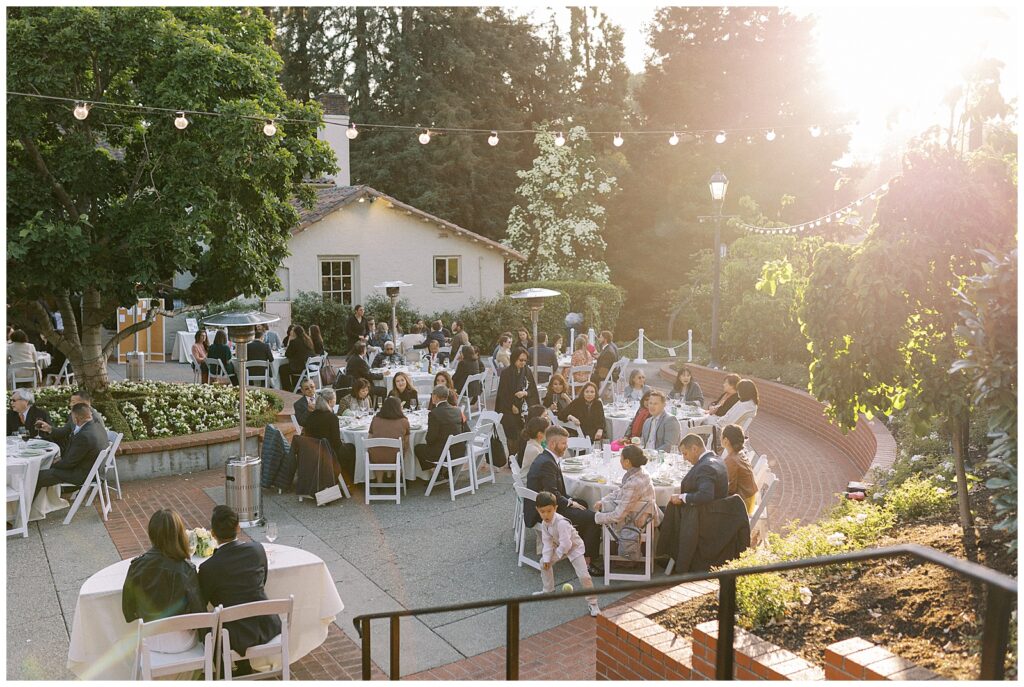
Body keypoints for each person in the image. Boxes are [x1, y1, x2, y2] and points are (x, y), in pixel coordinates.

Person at [198, 506, 281, 675]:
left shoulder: (208, 567)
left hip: (233, 636)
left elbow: (203, 600)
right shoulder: (257, 550)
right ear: (238, 528)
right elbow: (262, 581)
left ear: (213, 534)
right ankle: (243, 667)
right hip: (265, 625)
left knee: (207, 628)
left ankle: (222, 673)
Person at [122, 509, 206, 653]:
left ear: (152, 533)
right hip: (182, 641)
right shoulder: (186, 569)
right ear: (179, 534)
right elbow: (199, 612)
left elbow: (128, 610)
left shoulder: (137, 565)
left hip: (149, 640)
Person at [524, 426, 602, 575]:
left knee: (584, 504)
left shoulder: (546, 458)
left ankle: (576, 550)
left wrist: (572, 501)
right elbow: (552, 493)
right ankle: (586, 562)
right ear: (553, 444)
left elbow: (554, 492)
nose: (566, 446)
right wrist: (570, 502)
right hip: (545, 511)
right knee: (594, 518)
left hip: (546, 504)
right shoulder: (547, 463)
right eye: (563, 443)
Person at [533, 491, 601, 617]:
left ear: (555, 508)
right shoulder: (544, 524)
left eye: (549, 511)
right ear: (537, 510)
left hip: (574, 548)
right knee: (543, 563)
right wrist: (548, 559)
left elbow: (567, 545)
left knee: (584, 576)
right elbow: (547, 543)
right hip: (560, 547)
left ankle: (593, 603)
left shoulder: (561, 523)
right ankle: (548, 590)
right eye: (542, 512)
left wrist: (556, 556)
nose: (546, 514)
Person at [594, 445, 664, 559]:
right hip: (645, 516)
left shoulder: (633, 483)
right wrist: (604, 501)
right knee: (604, 506)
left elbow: (618, 515)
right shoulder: (642, 473)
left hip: (635, 523)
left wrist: (598, 517)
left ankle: (606, 556)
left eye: (620, 459)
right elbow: (621, 490)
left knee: (599, 516)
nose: (619, 461)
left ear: (627, 462)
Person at [34, 403, 107, 498]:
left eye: (72, 417)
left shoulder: (84, 436)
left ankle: (27, 508)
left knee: (35, 477)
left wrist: (52, 462)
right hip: (94, 471)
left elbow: (68, 464)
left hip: (81, 475)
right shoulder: (97, 426)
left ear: (76, 419)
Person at [496, 347, 540, 456]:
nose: (523, 363)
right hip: (508, 408)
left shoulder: (527, 371)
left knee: (525, 433)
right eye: (521, 360)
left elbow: (533, 389)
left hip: (524, 407)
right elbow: (503, 393)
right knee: (512, 433)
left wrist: (525, 393)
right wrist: (512, 405)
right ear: (514, 359)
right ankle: (512, 459)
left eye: (525, 360)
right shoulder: (506, 373)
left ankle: (521, 458)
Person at [415, 385, 470, 470]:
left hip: (444, 454)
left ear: (435, 396)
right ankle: (441, 471)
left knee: (418, 448)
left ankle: (435, 472)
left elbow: (430, 439)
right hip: (459, 451)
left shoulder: (434, 413)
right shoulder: (457, 410)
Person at [35, 389, 106, 452]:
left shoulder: (95, 419)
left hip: (84, 456)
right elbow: (64, 432)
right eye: (71, 402)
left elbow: (97, 444)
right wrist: (48, 428)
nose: (70, 405)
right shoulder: (75, 414)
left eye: (74, 402)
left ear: (85, 403)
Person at [668, 433, 729, 507]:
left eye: (685, 454)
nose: (684, 458)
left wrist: (682, 497)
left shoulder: (705, 467)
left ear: (694, 449)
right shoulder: (718, 459)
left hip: (706, 515)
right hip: (719, 509)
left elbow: (705, 495)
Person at [303, 388, 354, 473]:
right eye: (335, 399)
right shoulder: (332, 417)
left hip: (313, 451)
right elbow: (337, 444)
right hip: (328, 453)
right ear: (330, 402)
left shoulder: (311, 416)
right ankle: (348, 477)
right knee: (351, 448)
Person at [368, 397, 411, 478]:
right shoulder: (404, 421)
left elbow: (369, 438)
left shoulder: (375, 419)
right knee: (399, 451)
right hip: (395, 457)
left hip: (376, 457)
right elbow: (406, 442)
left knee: (378, 451)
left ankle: (379, 482)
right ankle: (396, 477)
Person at [721, 424, 758, 514]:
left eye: (721, 436)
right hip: (749, 498)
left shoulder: (732, 460)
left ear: (726, 441)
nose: (720, 438)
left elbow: (730, 489)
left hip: (742, 506)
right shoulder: (739, 454)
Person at [283, 325, 315, 390]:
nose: (291, 332)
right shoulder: (307, 340)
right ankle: (295, 385)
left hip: (300, 367)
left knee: (282, 369)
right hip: (308, 366)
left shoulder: (294, 341)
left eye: (292, 330)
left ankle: (287, 388)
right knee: (290, 365)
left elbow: (287, 354)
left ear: (295, 333)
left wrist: (290, 340)